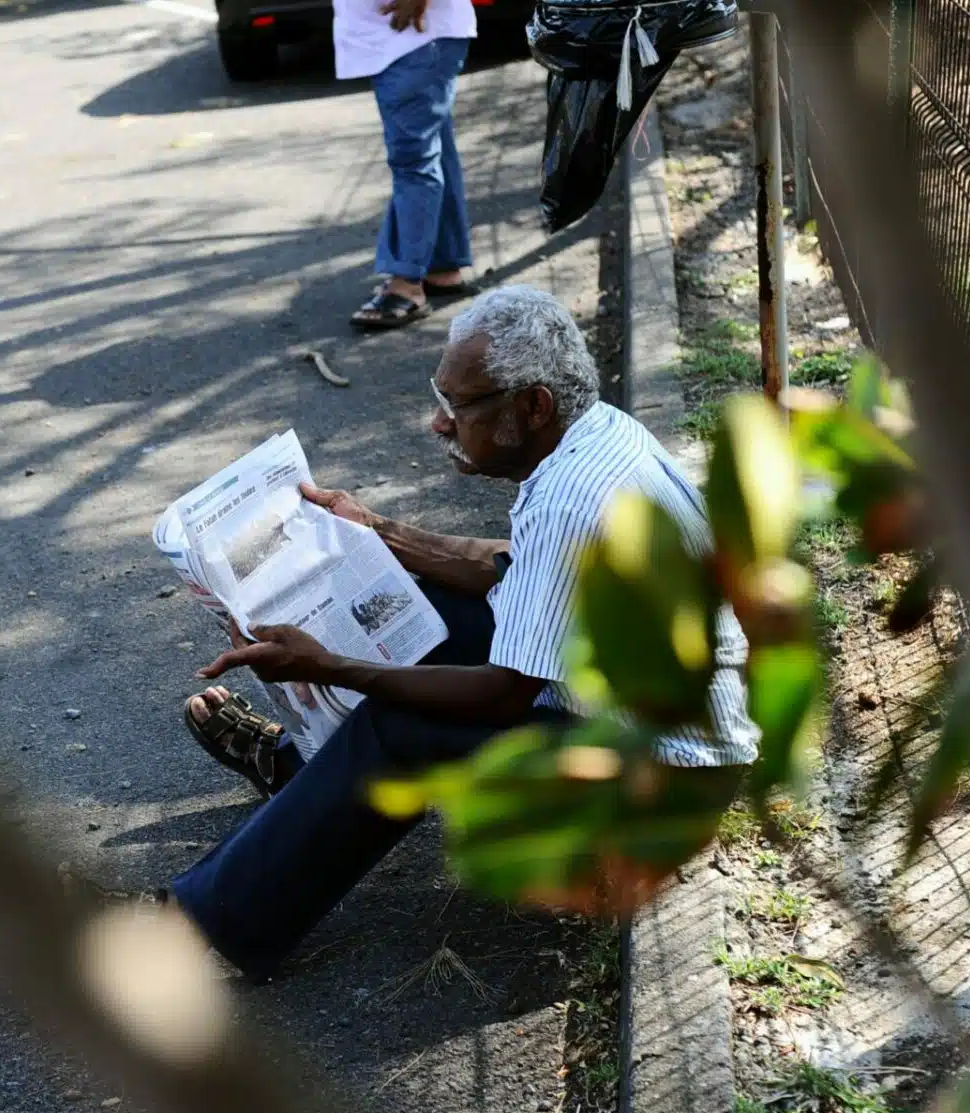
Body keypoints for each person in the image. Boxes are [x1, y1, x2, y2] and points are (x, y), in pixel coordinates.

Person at [138, 286, 761, 981]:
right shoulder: (598, 433)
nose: (440, 424)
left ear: (533, 406)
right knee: (425, 610)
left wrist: (332, 665)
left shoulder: (567, 496)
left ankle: (193, 927)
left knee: (401, 723)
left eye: (461, 406)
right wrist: (377, 534)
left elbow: (499, 695)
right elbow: (510, 569)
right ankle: (305, 780)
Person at [343, 0, 478, 330]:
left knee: (413, 161)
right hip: (405, 37)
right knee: (432, 152)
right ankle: (441, 266)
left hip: (413, 36)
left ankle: (406, 285)